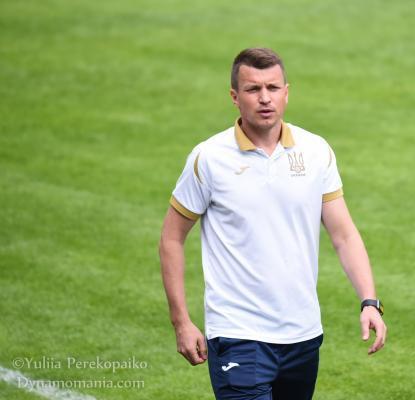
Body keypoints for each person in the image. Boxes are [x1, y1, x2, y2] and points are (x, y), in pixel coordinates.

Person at [159, 47, 386, 400]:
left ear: (286, 92)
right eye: (253, 89)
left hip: (303, 335)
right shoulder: (209, 158)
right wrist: (181, 322)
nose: (265, 98)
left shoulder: (316, 151)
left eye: (273, 88)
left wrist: (369, 302)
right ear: (235, 97)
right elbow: (171, 238)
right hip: (238, 334)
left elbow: (344, 235)